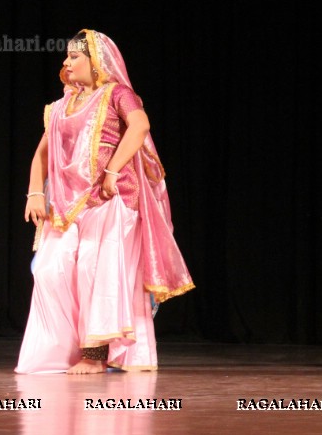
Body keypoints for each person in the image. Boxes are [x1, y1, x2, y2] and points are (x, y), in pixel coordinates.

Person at [16, 29, 194, 374]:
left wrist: (113, 169)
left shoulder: (117, 94)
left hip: (112, 198)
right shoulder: (61, 106)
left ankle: (96, 355)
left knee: (94, 270)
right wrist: (36, 192)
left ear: (96, 61)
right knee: (51, 271)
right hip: (68, 203)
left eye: (74, 56)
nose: (66, 62)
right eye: (66, 56)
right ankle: (58, 352)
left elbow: (139, 126)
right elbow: (42, 154)